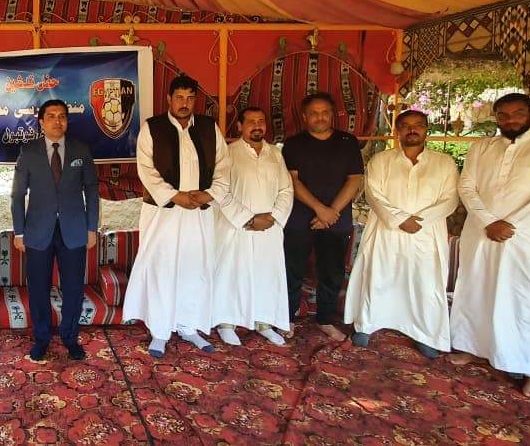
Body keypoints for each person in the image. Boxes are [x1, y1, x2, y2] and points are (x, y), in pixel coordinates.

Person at [449, 93, 530, 400]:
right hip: (482, 232)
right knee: (477, 289)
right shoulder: (482, 147)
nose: (511, 120)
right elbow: (467, 186)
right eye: (503, 115)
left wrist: (509, 224)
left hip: (527, 238)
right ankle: (474, 348)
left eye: (517, 113)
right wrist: (489, 221)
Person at [123, 74, 231, 357]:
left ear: (195, 100)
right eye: (179, 98)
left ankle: (188, 326)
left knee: (195, 268)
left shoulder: (208, 127)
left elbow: (224, 167)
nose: (185, 103)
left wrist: (209, 194)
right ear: (169, 99)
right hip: (164, 213)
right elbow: (146, 169)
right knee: (163, 268)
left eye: (190, 98)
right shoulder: (152, 128)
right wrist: (175, 196)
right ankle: (160, 331)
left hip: (199, 213)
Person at [344, 110, 459, 359]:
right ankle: (366, 324)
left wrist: (420, 220)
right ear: (397, 131)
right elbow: (373, 195)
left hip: (426, 234)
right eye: (405, 125)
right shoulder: (381, 161)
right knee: (379, 277)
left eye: (418, 125)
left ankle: (425, 333)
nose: (412, 130)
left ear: (427, 129)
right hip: (386, 232)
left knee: (424, 283)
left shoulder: (444, 163)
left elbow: (450, 199)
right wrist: (399, 219)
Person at [11, 99, 100, 361]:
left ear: (67, 121)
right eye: (51, 116)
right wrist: (19, 232)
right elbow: (17, 195)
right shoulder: (28, 152)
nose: (57, 121)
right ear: (41, 122)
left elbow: (91, 190)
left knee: (73, 288)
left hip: (74, 230)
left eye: (62, 116)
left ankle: (70, 337)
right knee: (38, 288)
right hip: (38, 231)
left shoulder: (81, 150)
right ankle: (41, 339)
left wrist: (91, 228)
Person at [281, 92, 365, 341]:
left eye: (325, 112)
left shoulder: (347, 141)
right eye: (314, 113)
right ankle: (287, 317)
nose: (320, 117)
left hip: (336, 218)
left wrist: (332, 212)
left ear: (333, 114)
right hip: (300, 217)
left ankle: (325, 319)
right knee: (292, 269)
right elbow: (292, 181)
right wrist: (320, 209)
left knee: (332, 270)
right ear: (305, 117)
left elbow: (354, 179)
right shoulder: (293, 144)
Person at [212, 107, 293, 346]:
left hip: (269, 228)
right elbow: (221, 192)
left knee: (266, 273)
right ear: (239, 126)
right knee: (232, 272)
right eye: (251, 121)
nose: (257, 126)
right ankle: (227, 323)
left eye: (261, 121)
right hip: (236, 227)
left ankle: (264, 322)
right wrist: (248, 219)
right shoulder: (228, 153)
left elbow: (286, 189)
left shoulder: (275, 153)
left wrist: (274, 216)